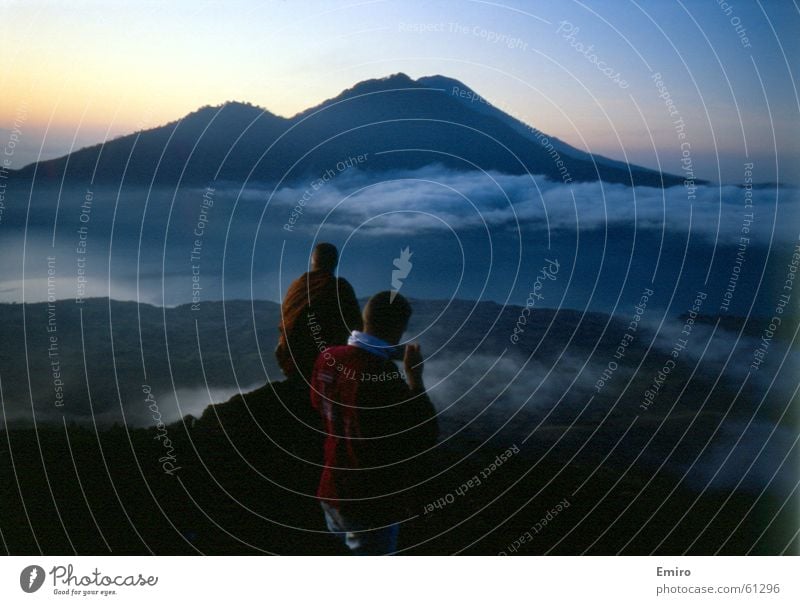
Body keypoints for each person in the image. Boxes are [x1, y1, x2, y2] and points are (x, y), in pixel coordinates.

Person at [310, 291, 438, 555]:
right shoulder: (382, 376)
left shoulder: (327, 357)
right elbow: (423, 433)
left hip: (331, 486)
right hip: (368, 502)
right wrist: (414, 378)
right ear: (399, 327)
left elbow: (318, 405)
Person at [275, 242, 362, 383]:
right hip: (321, 366)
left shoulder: (296, 286)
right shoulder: (340, 287)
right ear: (335, 262)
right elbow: (355, 328)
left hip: (291, 360)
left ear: (312, 260)